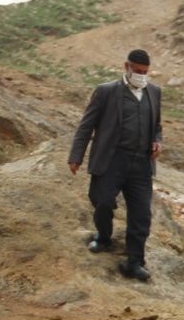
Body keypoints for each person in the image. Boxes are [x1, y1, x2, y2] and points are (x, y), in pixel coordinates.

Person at [68, 49, 163, 281]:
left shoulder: (154, 92)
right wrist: (76, 156)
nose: (141, 75)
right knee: (102, 201)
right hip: (112, 158)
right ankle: (103, 237)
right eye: (137, 71)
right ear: (126, 67)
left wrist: (157, 141)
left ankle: (134, 261)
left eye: (145, 72)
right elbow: (86, 125)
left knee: (141, 213)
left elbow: (157, 125)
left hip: (141, 162)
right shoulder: (106, 91)